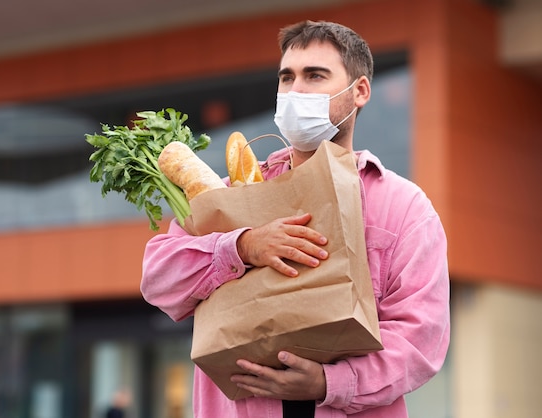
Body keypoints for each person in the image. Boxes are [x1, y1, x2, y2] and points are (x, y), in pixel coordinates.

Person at [140, 20, 450, 418]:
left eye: (315, 76)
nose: (295, 91)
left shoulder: (404, 207)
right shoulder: (228, 194)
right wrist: (242, 246)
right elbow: (158, 279)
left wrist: (329, 384)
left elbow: (420, 340)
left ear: (359, 91)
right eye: (286, 78)